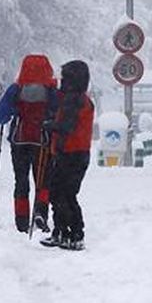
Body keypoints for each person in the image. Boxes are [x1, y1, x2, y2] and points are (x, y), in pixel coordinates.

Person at [0, 54, 59, 233]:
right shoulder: (51, 90)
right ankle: (40, 213)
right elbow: (58, 113)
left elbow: (0, 116)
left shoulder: (16, 89)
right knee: (43, 181)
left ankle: (21, 221)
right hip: (43, 141)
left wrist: (15, 110)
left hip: (19, 142)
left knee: (21, 181)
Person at [39, 60, 95, 250]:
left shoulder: (73, 100)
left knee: (62, 194)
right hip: (77, 153)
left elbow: (67, 126)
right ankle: (63, 232)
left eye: (64, 78)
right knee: (63, 194)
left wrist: (49, 125)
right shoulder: (82, 99)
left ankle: (73, 233)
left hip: (70, 154)